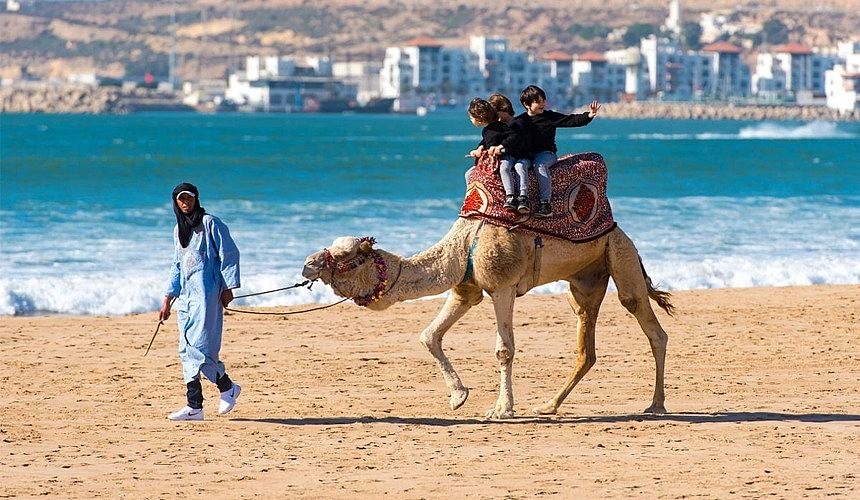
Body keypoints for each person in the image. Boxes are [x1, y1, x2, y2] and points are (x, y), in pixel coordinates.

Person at [158, 182, 242, 421]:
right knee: (186, 349)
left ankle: (226, 387)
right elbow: (177, 265)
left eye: (189, 199)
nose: (186, 203)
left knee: (200, 347)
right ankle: (195, 406)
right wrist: (167, 299)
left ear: (196, 199)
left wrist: (229, 287)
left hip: (207, 295)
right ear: (175, 202)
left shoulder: (210, 223)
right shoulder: (178, 229)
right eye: (181, 199)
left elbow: (229, 254)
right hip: (186, 298)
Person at [517, 85, 600, 217]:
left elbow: (571, 120)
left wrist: (589, 115)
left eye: (543, 100)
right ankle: (522, 199)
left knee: (539, 166)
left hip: (546, 154)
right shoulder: (520, 121)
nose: (542, 104)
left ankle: (545, 204)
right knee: (518, 166)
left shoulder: (549, 117)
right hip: (527, 155)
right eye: (538, 101)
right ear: (526, 104)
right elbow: (507, 135)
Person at [466, 97, 528, 213]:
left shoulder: (500, 127)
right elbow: (486, 141)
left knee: (504, 168)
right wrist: (479, 149)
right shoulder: (486, 130)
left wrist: (501, 147)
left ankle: (510, 196)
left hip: (505, 157)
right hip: (491, 160)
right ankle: (473, 197)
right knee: (469, 173)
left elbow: (513, 136)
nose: (471, 120)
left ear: (479, 118)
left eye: (471, 118)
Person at [487, 93, 533, 214]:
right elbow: (488, 139)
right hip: (508, 156)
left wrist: (503, 147)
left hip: (522, 156)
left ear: (503, 109)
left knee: (520, 166)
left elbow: (518, 140)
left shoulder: (519, 123)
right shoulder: (499, 126)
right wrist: (481, 147)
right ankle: (510, 196)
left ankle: (523, 197)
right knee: (504, 167)